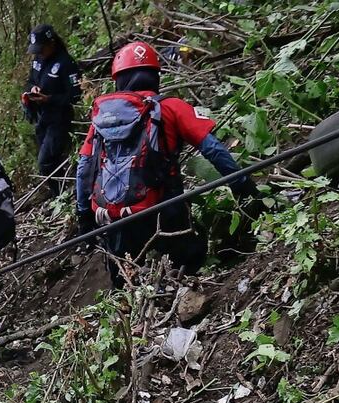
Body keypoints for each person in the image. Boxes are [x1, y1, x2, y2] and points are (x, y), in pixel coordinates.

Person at [75, 41, 260, 284]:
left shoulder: (101, 118)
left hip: (113, 214)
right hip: (161, 209)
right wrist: (244, 186)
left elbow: (84, 168)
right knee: (190, 257)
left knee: (124, 282)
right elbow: (213, 149)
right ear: (154, 75)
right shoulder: (170, 107)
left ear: (117, 78)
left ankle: (131, 308)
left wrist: (84, 219)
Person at [21, 24, 81, 196]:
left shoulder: (66, 63)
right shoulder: (38, 61)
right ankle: (63, 194)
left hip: (59, 119)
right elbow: (30, 81)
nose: (39, 53)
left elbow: (75, 95)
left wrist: (50, 99)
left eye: (41, 49)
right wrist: (31, 91)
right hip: (42, 118)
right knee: (50, 161)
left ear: (51, 43)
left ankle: (61, 195)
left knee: (45, 162)